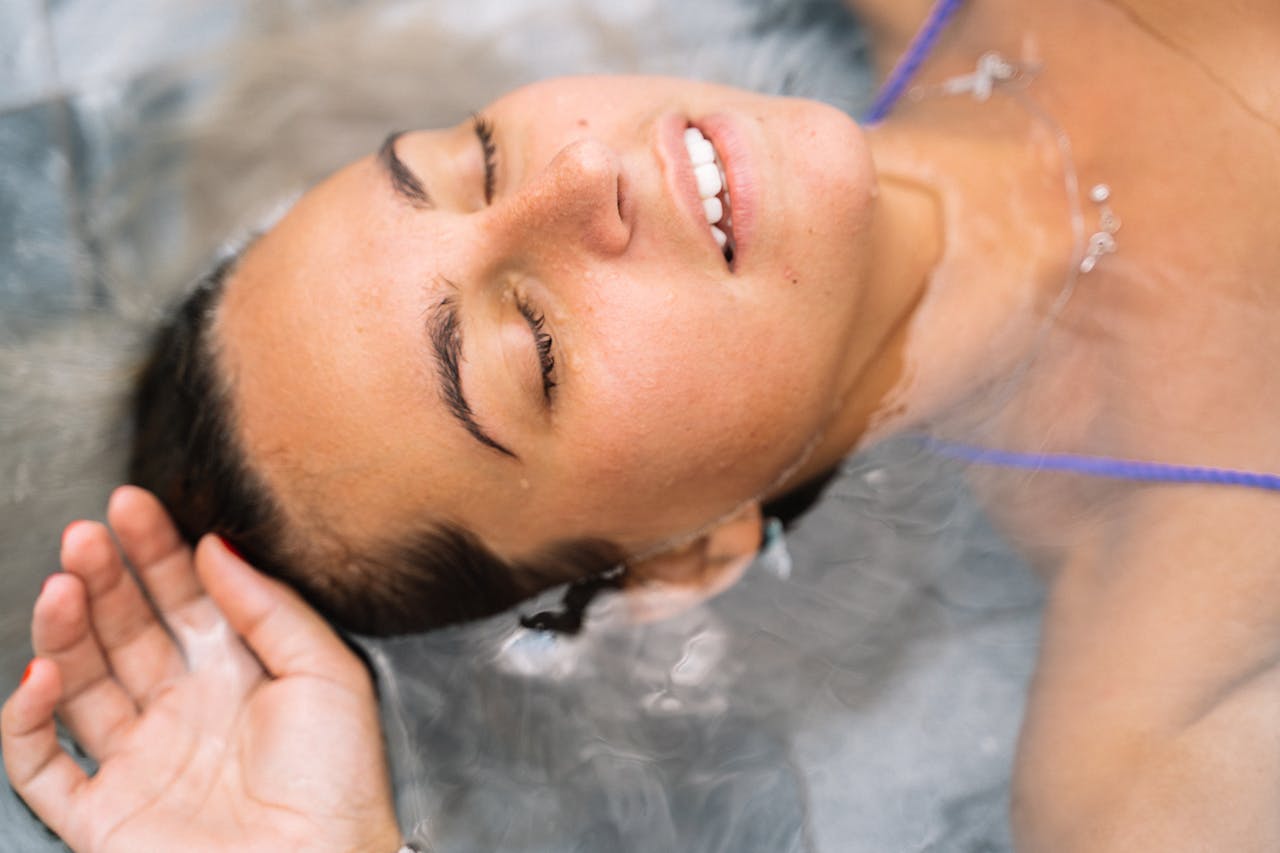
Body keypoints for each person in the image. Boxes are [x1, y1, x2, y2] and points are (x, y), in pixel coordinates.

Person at [6, 0, 1280, 849]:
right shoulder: (1157, 725)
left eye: (475, 160)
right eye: (537, 350)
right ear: (687, 555)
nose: (582, 179)